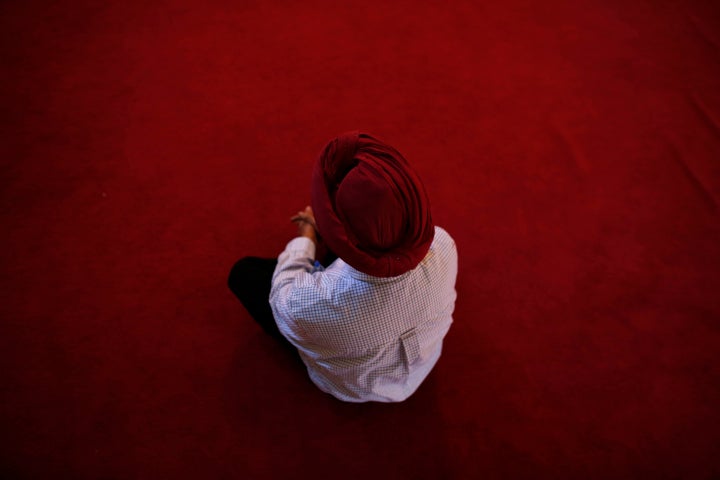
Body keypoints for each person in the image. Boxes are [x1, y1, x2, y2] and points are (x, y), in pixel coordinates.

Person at [228, 131, 458, 402]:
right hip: (423, 366)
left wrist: (307, 237)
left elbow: (282, 294)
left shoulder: (308, 305)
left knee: (244, 274)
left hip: (352, 389)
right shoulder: (443, 244)